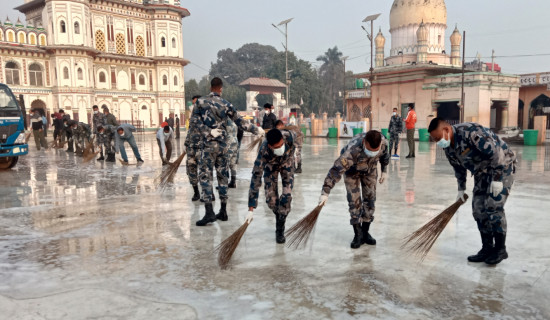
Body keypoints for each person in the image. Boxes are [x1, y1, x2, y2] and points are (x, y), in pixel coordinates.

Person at [428, 118, 516, 265]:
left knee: (493, 207)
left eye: (438, 138)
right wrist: (461, 189)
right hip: (482, 171)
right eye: (435, 140)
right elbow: (459, 169)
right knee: (478, 209)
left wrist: (497, 179)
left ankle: (501, 249)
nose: (438, 142)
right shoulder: (448, 147)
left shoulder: (471, 133)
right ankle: (487, 248)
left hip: (502, 166)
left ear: (447, 130)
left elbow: (496, 154)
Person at [191, 77, 264, 226]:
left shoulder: (200, 102)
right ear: (220, 89)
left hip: (208, 146)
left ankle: (209, 212)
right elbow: (241, 122)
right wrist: (257, 130)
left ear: (211, 87)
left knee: (205, 176)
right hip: (223, 147)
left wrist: (209, 131)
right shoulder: (226, 104)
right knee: (223, 176)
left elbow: (194, 123)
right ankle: (223, 211)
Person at [318, 130, 390, 248]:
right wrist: (325, 192)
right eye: (369, 150)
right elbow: (335, 171)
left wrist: (384, 170)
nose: (371, 153)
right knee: (354, 202)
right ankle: (358, 234)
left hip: (370, 171)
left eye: (374, 151)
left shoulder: (383, 143)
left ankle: (365, 233)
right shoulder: (351, 151)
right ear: (364, 142)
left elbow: (385, 156)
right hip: (352, 172)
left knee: (370, 200)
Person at [248, 128, 297, 243]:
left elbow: (298, 141)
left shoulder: (289, 136)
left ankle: (280, 229)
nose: (280, 148)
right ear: (270, 146)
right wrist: (251, 208)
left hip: (287, 163)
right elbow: (256, 178)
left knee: (286, 197)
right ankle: (278, 215)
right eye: (276, 147)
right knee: (271, 201)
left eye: (281, 145)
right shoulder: (263, 151)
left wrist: (296, 158)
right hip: (271, 165)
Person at [227, 119, 239, 188]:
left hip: (228, 144)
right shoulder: (234, 123)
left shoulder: (225, 122)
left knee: (225, 163)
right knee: (233, 164)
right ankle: (233, 182)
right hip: (235, 143)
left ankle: (224, 184)